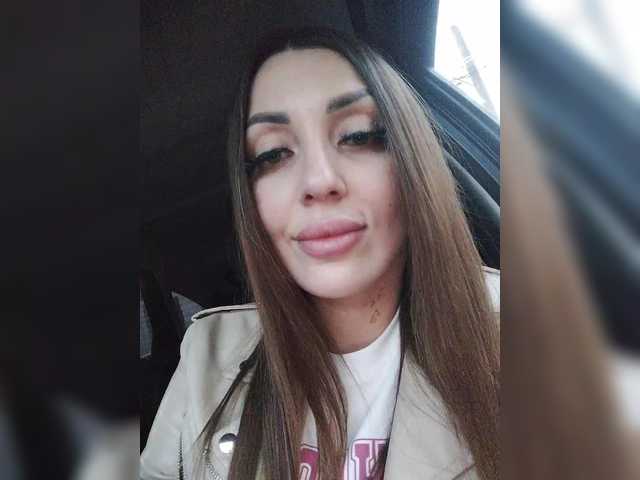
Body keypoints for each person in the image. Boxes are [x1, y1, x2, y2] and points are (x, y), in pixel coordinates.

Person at [140, 27, 500, 480]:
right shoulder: (206, 356)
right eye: (273, 154)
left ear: (412, 158)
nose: (318, 180)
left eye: (358, 136)